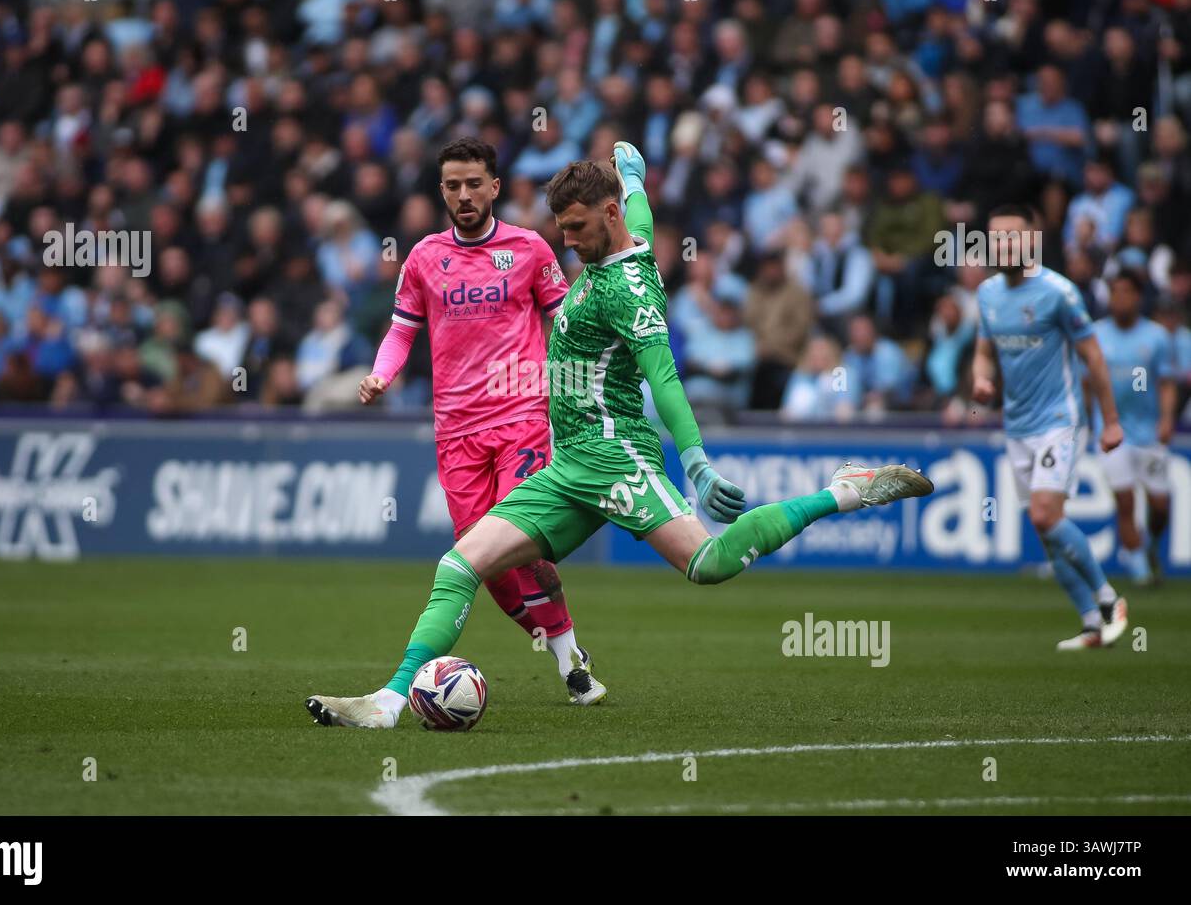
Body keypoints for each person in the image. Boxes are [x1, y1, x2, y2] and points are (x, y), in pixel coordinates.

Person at [306, 143, 934, 728]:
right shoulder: (621, 241)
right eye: (561, 228)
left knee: (708, 564)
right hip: (567, 463)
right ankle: (389, 702)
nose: (567, 241)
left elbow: (664, 378)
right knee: (459, 563)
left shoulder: (628, 292)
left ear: (604, 216)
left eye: (577, 227)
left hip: (616, 458)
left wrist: (697, 462)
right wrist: (633, 175)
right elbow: (637, 210)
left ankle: (844, 493)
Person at [352, 137, 602, 705]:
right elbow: (401, 331)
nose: (463, 196)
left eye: (473, 184)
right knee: (484, 565)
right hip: (457, 433)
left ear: (494, 187)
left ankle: (569, 666)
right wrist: (381, 375)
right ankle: (568, 648)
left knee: (525, 544)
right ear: (442, 191)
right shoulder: (424, 259)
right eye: (452, 186)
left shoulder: (531, 249)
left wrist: (577, 384)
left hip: (522, 419)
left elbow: (563, 321)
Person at [971, 204, 1128, 650]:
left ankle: (1108, 599)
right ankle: (1091, 625)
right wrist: (981, 380)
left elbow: (1093, 356)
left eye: (1011, 237)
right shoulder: (987, 294)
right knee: (1045, 529)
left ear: (1031, 240)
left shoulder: (1059, 292)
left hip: (1059, 419)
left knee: (1045, 514)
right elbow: (984, 350)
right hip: (1016, 424)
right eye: (994, 238)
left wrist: (1110, 421)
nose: (1002, 246)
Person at [1092, 270, 1177, 585]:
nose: (1121, 299)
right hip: (1112, 432)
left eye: (1127, 292)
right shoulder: (1097, 334)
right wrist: (1088, 424)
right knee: (1125, 501)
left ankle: (1151, 544)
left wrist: (1167, 419)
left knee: (1160, 505)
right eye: (1116, 292)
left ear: (1138, 297)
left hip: (1148, 433)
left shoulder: (1155, 336)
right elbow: (1087, 383)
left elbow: (1166, 383)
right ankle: (1140, 568)